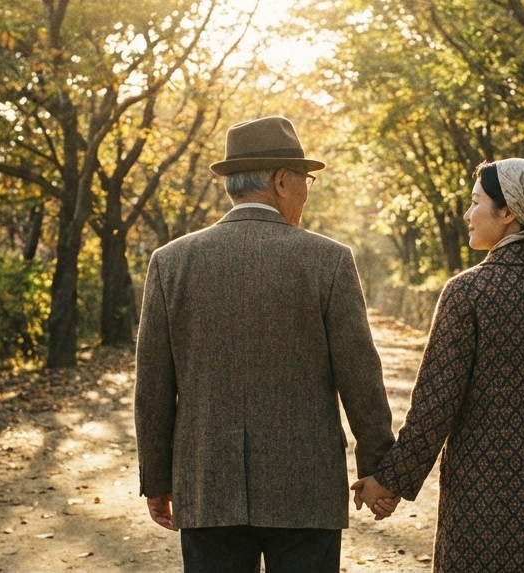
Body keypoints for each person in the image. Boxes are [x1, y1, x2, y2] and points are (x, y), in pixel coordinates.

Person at [134, 116, 395, 573]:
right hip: (306, 489)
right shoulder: (327, 261)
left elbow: (153, 387)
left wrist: (157, 477)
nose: (307, 191)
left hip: (207, 485)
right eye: (305, 179)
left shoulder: (170, 263)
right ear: (280, 180)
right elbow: (360, 377)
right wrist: (376, 467)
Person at [351, 158, 524, 573]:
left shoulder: (469, 292)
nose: (468, 215)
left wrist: (390, 481)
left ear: (508, 212)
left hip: (483, 500)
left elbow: (436, 406)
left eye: (476, 203)